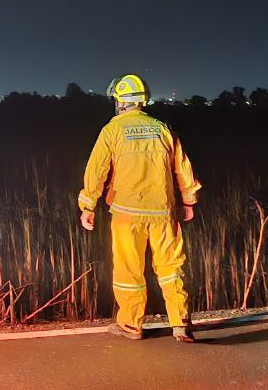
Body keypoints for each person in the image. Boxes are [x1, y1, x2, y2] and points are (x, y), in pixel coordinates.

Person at [77, 74, 202, 342]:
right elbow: (182, 167)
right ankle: (181, 323)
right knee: (171, 267)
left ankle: (132, 326)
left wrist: (88, 205)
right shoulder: (163, 128)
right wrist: (189, 200)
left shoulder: (112, 130)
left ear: (121, 100)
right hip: (163, 212)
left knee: (128, 271)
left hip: (126, 214)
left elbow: (95, 170)